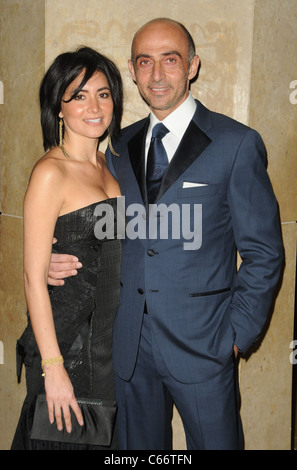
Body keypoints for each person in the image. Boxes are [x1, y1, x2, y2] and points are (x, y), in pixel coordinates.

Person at [47, 19, 284, 450]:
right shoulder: (116, 146)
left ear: (192, 66)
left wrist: (235, 335)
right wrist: (55, 257)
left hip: (206, 347)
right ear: (133, 72)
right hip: (128, 350)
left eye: (169, 60)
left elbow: (265, 253)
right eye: (145, 62)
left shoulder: (236, 143)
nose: (157, 75)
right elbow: (106, 233)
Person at [11, 46, 123, 450]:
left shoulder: (111, 166)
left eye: (103, 93)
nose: (93, 106)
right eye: (78, 95)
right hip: (67, 349)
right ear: (58, 107)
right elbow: (32, 278)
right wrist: (53, 367)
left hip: (106, 350)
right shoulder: (50, 172)